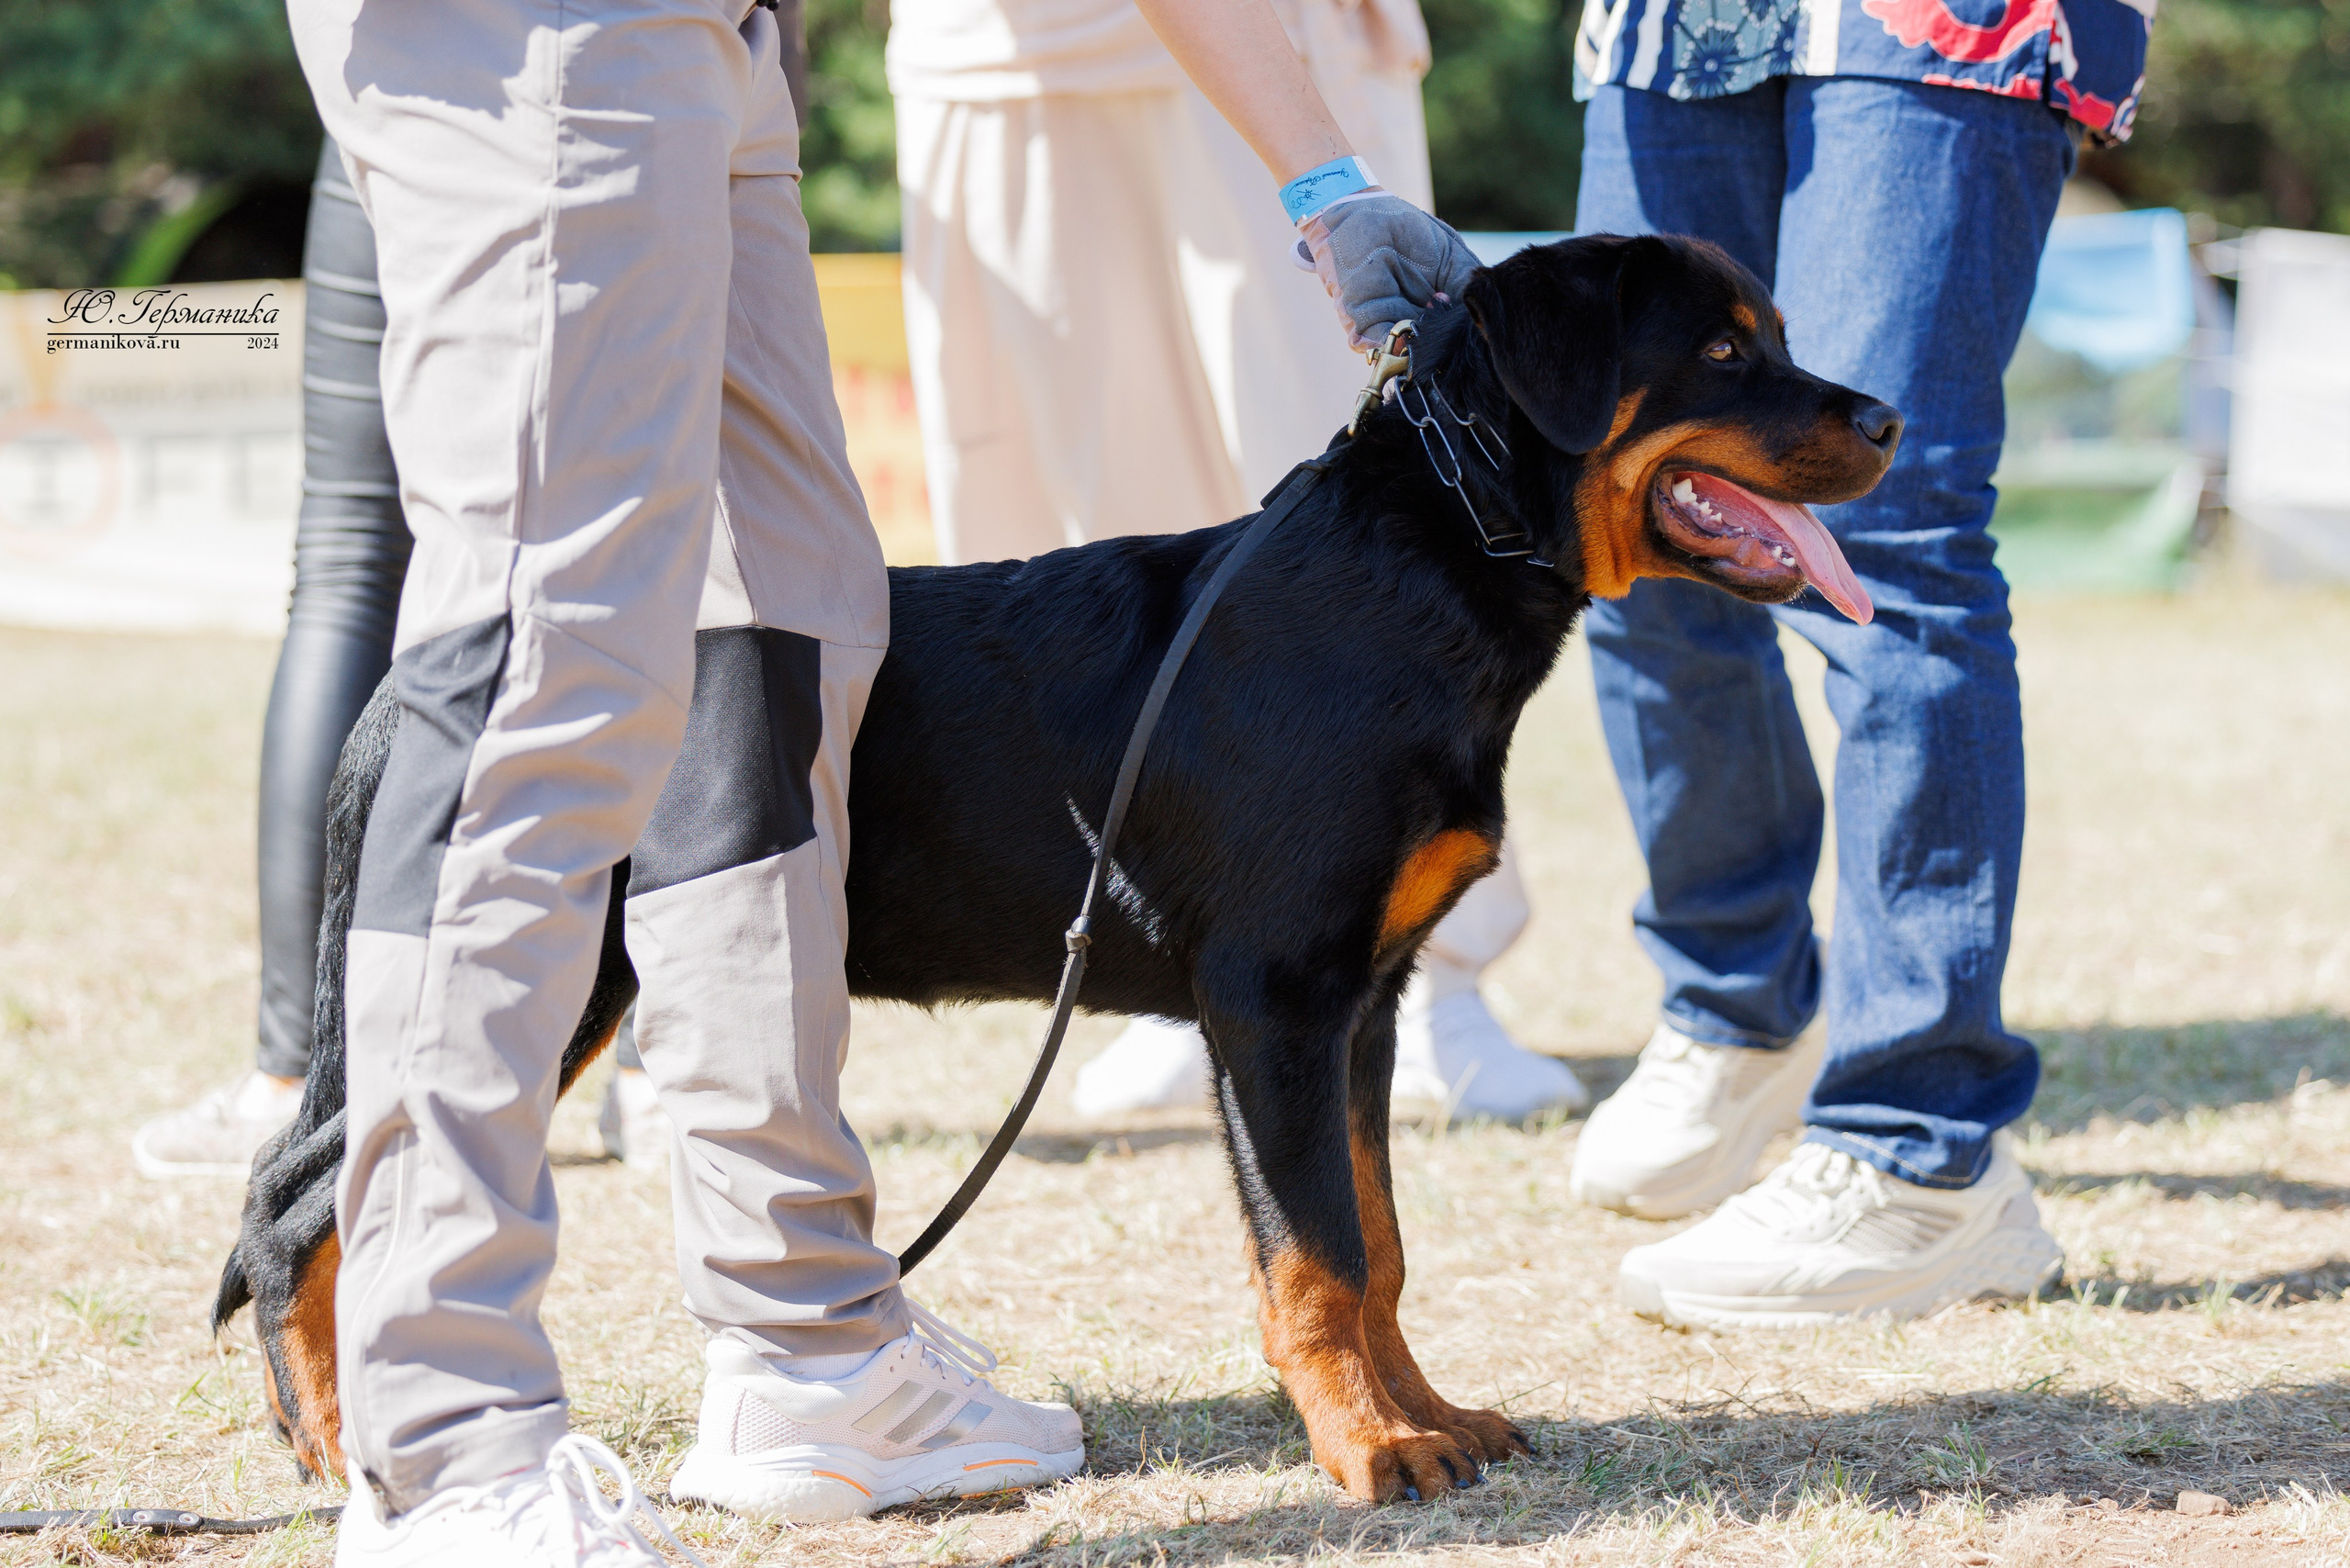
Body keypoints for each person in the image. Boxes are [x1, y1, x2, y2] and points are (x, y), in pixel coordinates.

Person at [277, 0, 1479, 1559]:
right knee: (547, 640)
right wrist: (1317, 170)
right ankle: (448, 1444)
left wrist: (1324, 179)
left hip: (720, 36)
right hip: (541, 24)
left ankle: (808, 1349)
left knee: (775, 640)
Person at [1559, 0, 2150, 1327]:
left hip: (1942, 20)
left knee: (1887, 528)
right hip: (1681, 24)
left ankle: (1923, 1148)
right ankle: (1738, 1005)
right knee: (1632, 503)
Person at [890, 0, 1586, 1123]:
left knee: (1361, 500)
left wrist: (1322, 184)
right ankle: (1174, 944)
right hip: (995, 58)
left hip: (1274, 48)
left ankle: (1434, 984)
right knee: (1078, 535)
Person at [129, 141, 674, 1181]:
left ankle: (291, 1081)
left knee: (345, 556)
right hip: (645, 85)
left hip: (403, 93)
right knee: (670, 551)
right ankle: (661, 1075)